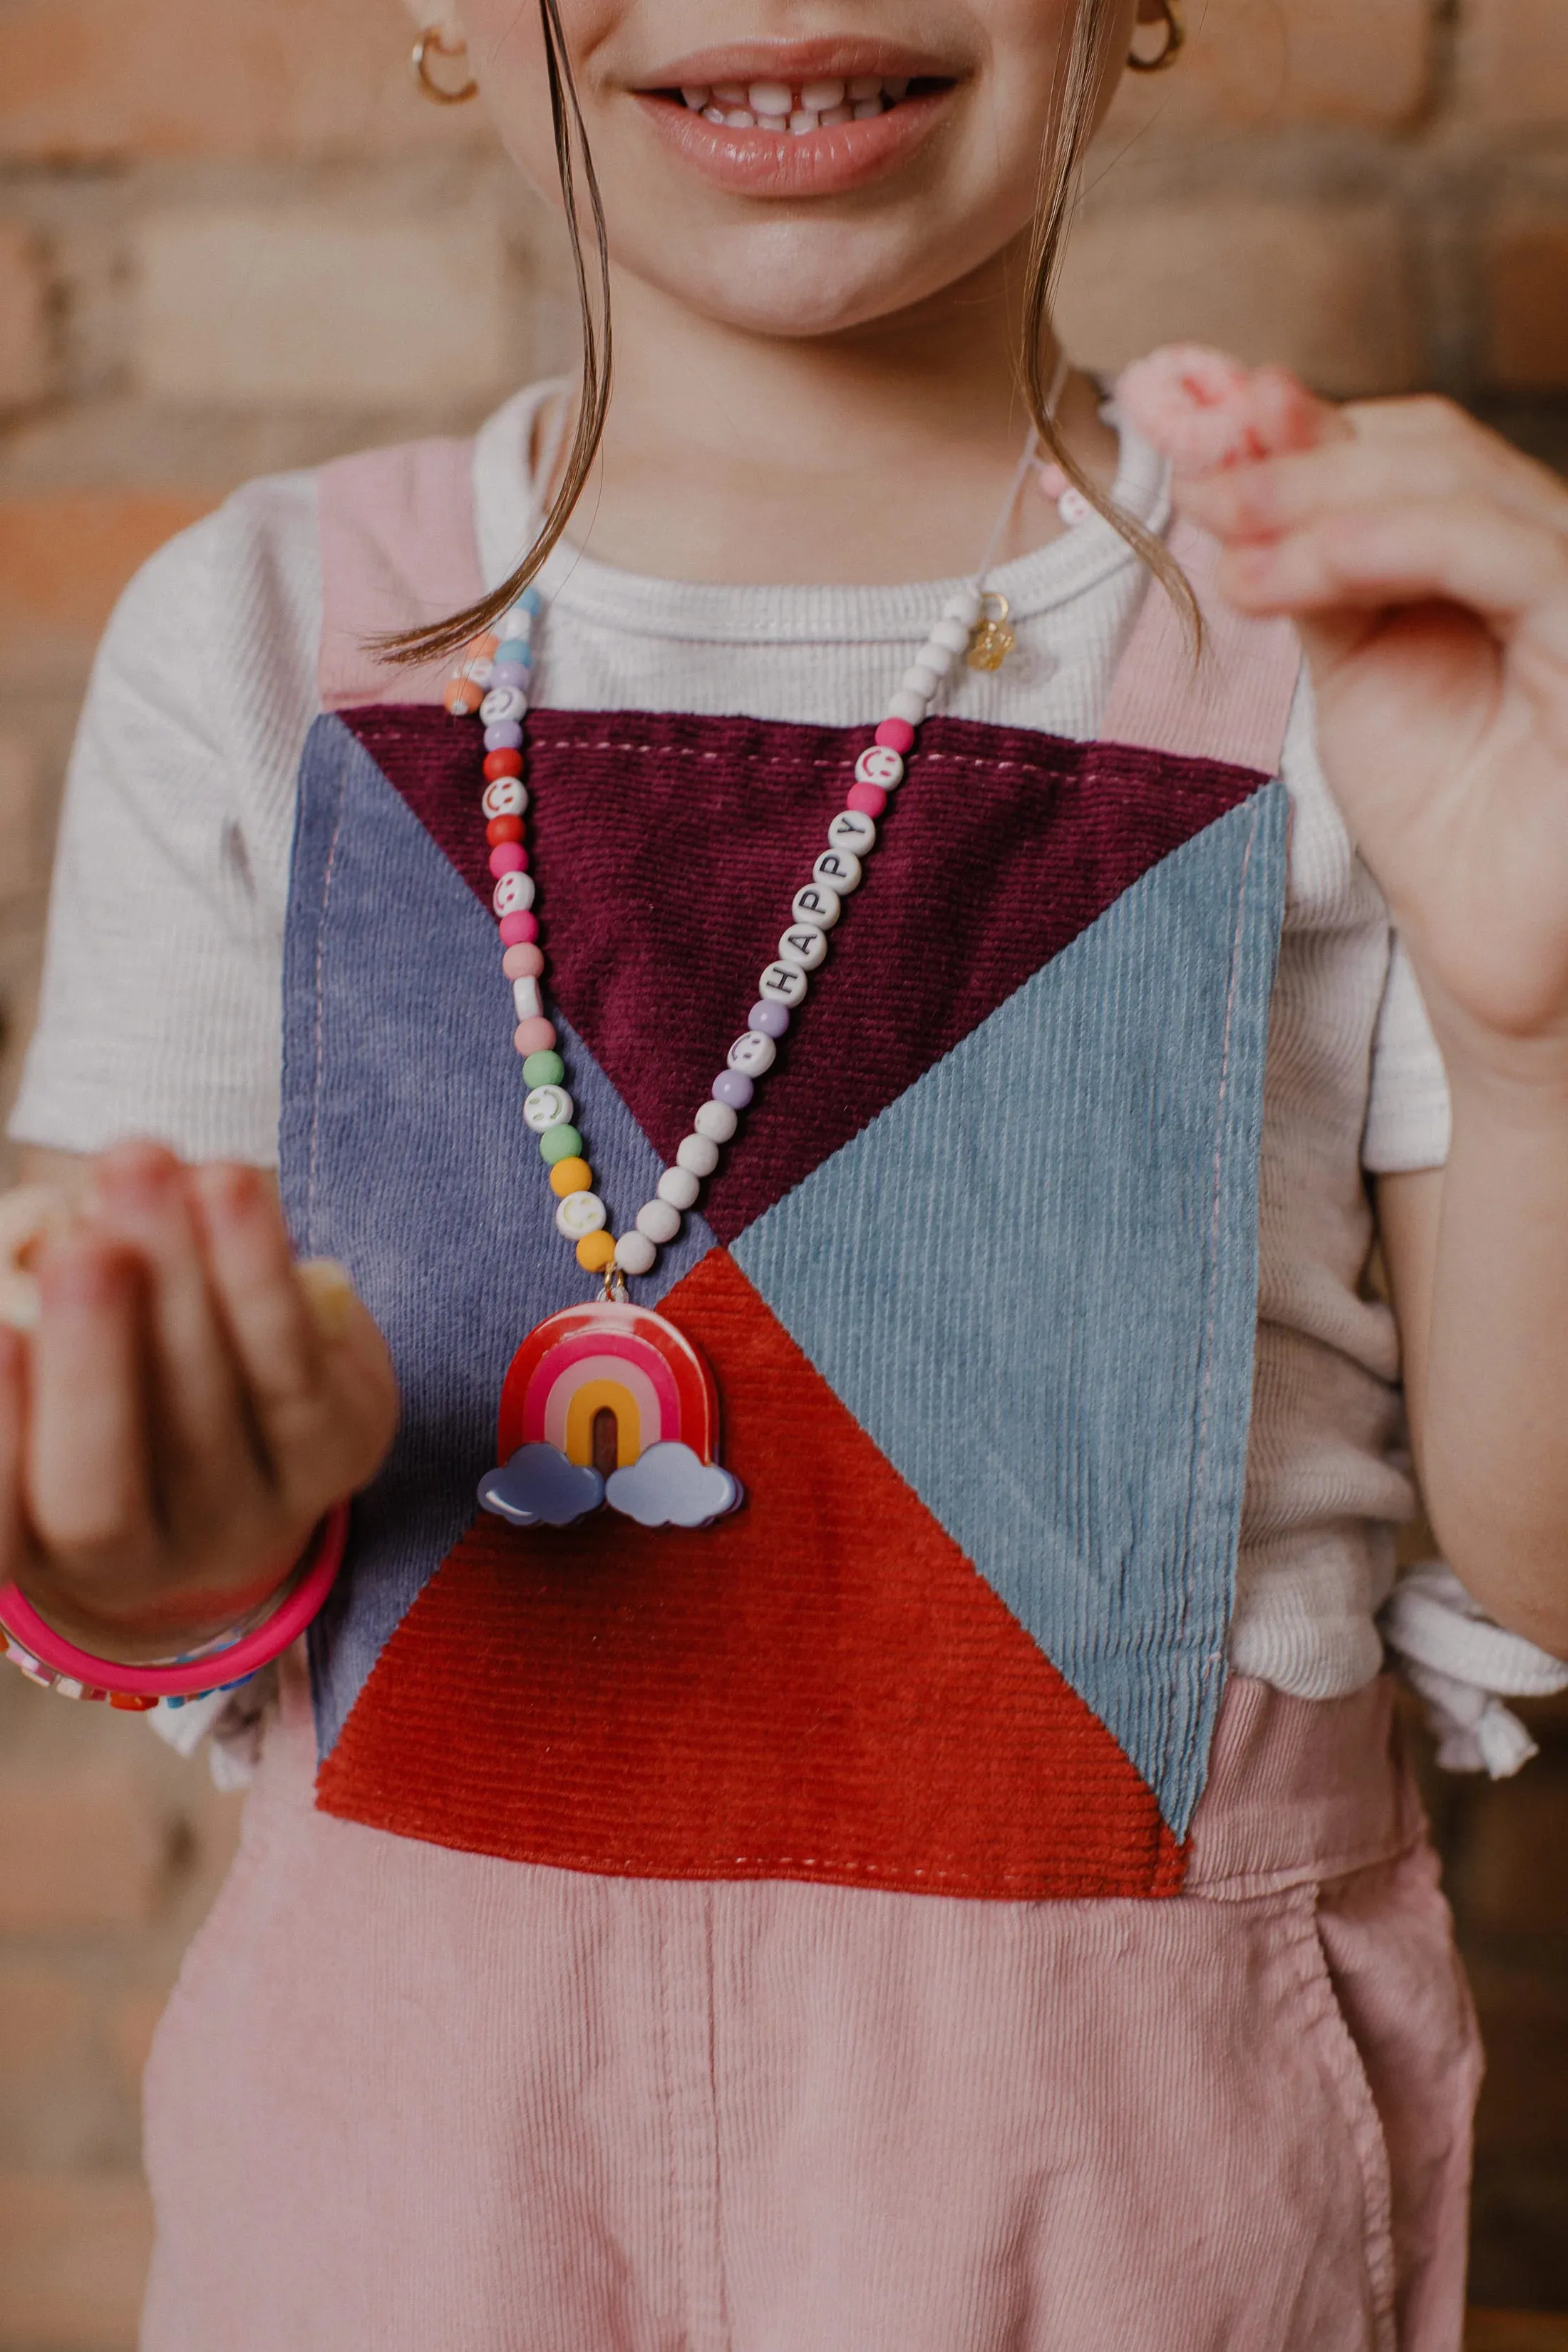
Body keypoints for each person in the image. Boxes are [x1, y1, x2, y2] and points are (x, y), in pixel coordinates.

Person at [2, 0, 1567, 2341]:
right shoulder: (253, 640)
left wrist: (1540, 1042)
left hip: (1135, 2203)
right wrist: (150, 1527)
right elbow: (105, 1490)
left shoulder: (1368, 656)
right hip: (409, 2207)